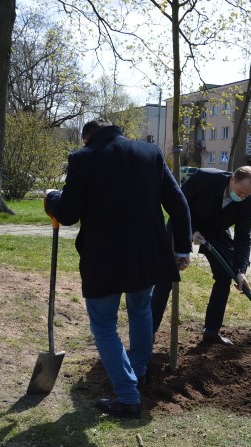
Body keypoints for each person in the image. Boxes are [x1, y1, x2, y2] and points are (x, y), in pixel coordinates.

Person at [44, 118, 192, 419]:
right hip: (145, 255)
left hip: (105, 259)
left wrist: (52, 198)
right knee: (140, 312)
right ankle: (137, 371)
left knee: (103, 325)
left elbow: (69, 213)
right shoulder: (150, 152)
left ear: (87, 138)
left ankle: (127, 396)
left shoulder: (82, 158)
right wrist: (182, 248)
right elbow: (178, 202)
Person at [152, 165, 251, 346]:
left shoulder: (250, 202)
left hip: (215, 231)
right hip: (183, 224)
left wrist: (241, 270)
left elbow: (243, 238)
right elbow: (179, 204)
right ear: (232, 179)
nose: (242, 197)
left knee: (225, 276)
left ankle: (212, 331)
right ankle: (149, 331)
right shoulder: (205, 178)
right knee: (166, 275)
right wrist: (191, 231)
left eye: (246, 195)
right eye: (240, 192)